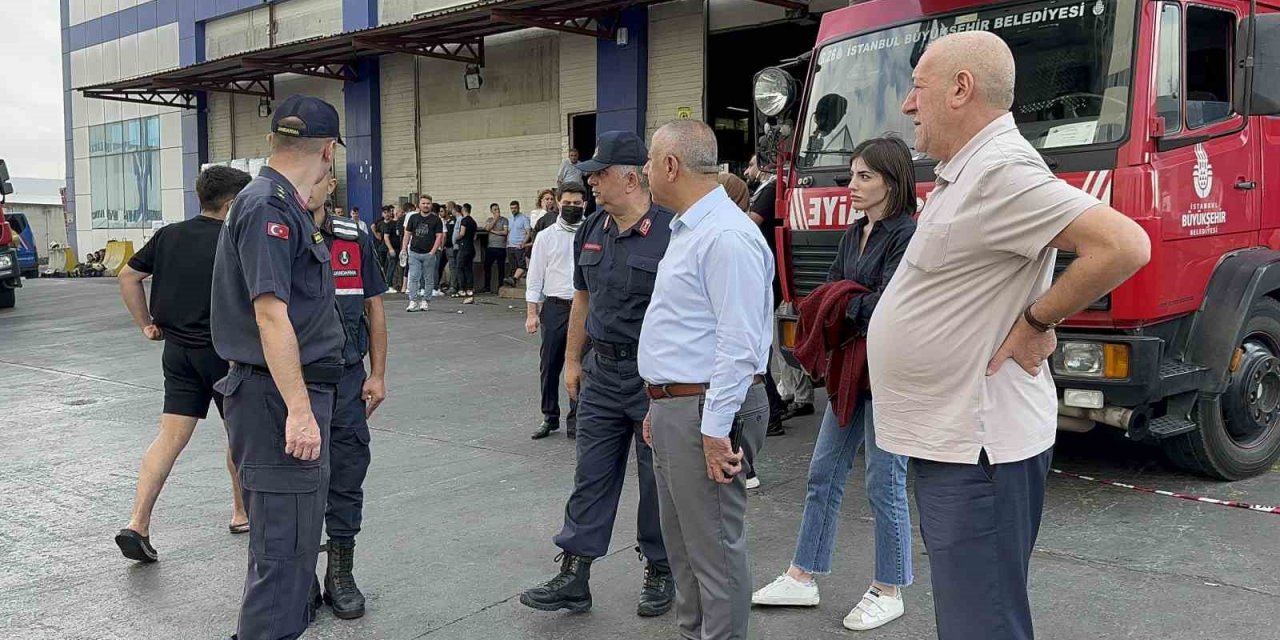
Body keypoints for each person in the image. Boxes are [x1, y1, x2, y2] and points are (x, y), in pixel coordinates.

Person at [871, 32, 1150, 640]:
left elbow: (1124, 245)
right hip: (959, 444)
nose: (908, 105)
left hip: (980, 453)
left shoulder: (999, 171)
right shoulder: (968, 172)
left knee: (983, 624)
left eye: (917, 87)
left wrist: (1035, 322)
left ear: (960, 89)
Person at [751, 136, 917, 631]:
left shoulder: (908, 234)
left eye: (864, 176)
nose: (851, 185)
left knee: (883, 480)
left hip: (888, 375)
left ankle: (890, 587)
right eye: (852, 175)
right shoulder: (854, 233)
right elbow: (831, 291)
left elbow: (888, 307)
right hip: (849, 371)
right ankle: (802, 576)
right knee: (822, 472)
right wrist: (848, 299)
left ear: (892, 181)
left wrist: (844, 300)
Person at [519, 132, 674, 618]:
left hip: (654, 378)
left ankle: (661, 568)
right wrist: (570, 361)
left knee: (657, 480)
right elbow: (581, 298)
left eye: (599, 173)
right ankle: (575, 574)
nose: (591, 180)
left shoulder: (673, 231)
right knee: (591, 475)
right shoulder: (592, 228)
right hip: (601, 373)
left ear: (630, 177)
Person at [210, 94, 348, 640]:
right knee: (284, 555)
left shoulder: (277, 201)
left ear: (273, 142)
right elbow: (270, 316)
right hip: (278, 400)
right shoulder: (269, 205)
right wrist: (298, 412)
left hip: (285, 394)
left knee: (289, 551)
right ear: (329, 151)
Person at [638, 120, 774, 640]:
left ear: (671, 165)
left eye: (651, 161)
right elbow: (688, 332)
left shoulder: (725, 237)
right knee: (686, 549)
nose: (646, 171)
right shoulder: (691, 228)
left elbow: (739, 346)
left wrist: (714, 431)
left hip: (706, 411)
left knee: (714, 550)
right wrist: (660, 401)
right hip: (680, 407)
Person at [113, 165, 253, 563]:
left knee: (169, 438)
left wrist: (146, 324)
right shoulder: (236, 236)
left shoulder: (169, 234)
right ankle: (242, 513)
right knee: (240, 434)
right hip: (227, 353)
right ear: (231, 203)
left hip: (177, 352)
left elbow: (127, 277)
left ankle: (138, 523)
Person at [315, 175, 389, 621]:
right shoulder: (272, 232)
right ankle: (300, 576)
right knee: (297, 483)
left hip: (346, 380)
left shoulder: (352, 235)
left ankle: (340, 573)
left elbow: (373, 305)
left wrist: (377, 373)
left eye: (322, 178)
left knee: (346, 475)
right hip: (293, 384)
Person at [525, 183, 588, 440]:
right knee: (550, 364)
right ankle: (549, 416)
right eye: (567, 203)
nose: (571, 208)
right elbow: (535, 276)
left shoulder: (591, 232)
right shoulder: (546, 236)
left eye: (577, 204)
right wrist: (532, 313)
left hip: (584, 308)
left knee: (582, 365)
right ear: (557, 203)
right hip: (555, 307)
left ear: (584, 205)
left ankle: (577, 420)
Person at [402, 195, 444, 312]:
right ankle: (413, 301)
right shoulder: (413, 218)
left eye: (428, 203)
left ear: (431, 205)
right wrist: (404, 249)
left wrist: (433, 252)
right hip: (414, 253)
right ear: (419, 205)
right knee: (414, 277)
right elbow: (407, 234)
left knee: (428, 279)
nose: (426, 205)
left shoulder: (436, 220)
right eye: (423, 203)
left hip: (429, 254)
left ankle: (425, 301)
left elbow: (439, 236)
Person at [482, 203, 509, 293]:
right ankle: (487, 287)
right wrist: (495, 219)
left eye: (498, 209)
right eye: (495, 210)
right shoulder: (489, 220)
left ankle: (500, 287)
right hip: (491, 247)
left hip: (501, 247)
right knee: (487, 267)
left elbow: (505, 232)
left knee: (501, 268)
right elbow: (487, 228)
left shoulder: (504, 220)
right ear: (491, 211)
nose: (497, 211)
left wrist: (493, 231)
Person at [376, 205, 402, 292]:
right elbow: (386, 238)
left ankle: (399, 285)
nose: (402, 214)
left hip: (400, 249)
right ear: (396, 213)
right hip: (391, 249)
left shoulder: (400, 223)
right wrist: (391, 249)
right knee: (390, 267)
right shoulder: (389, 224)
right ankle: (388, 285)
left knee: (399, 268)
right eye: (400, 213)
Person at [505, 200, 531, 286]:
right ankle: (514, 283)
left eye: (515, 208)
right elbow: (508, 232)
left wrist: (524, 243)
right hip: (510, 246)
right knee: (513, 266)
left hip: (519, 246)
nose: (513, 210)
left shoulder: (524, 218)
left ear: (519, 208)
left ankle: (516, 281)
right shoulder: (510, 219)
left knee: (521, 265)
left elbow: (528, 232)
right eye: (512, 208)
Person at [455, 203, 478, 299]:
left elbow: (462, 233)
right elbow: (475, 236)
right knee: (469, 268)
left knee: (459, 267)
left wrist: (457, 238)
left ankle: (461, 289)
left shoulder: (464, 220)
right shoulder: (473, 221)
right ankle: (470, 288)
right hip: (471, 247)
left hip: (463, 247)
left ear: (463, 210)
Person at [436, 203, 455, 297]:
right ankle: (437, 284)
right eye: (439, 211)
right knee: (439, 266)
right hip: (442, 247)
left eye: (442, 211)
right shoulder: (439, 221)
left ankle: (452, 285)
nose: (441, 213)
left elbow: (447, 234)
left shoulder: (452, 220)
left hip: (449, 246)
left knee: (452, 267)